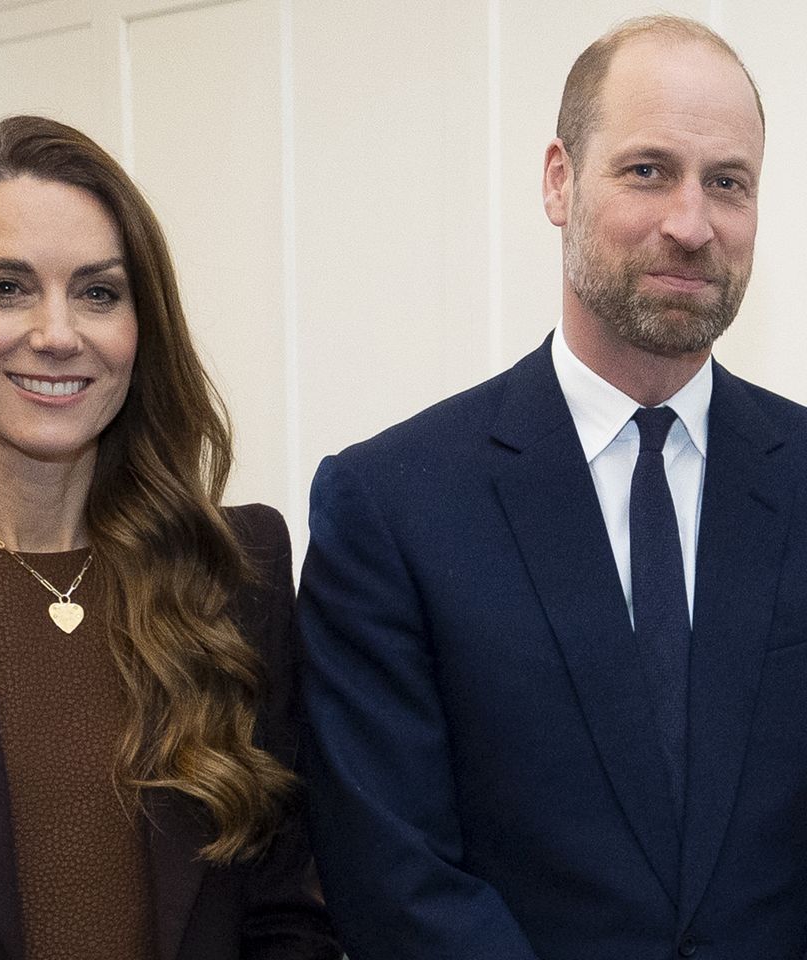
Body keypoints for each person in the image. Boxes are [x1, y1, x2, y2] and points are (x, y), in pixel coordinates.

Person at [299, 15, 807, 960]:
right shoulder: (391, 506)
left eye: (727, 183)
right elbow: (395, 877)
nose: (691, 224)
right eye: (648, 170)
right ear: (558, 181)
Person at [0, 115, 339, 960]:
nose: (59, 332)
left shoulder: (238, 568)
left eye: (98, 292)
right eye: (6, 288)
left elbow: (287, 906)